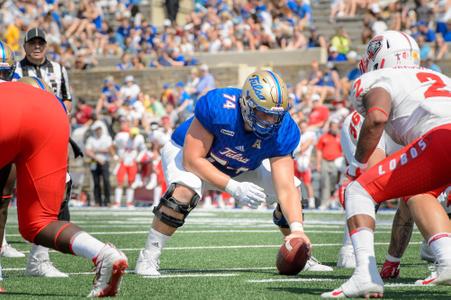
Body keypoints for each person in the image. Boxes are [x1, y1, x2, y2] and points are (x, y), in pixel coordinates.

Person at [134, 70, 332, 276]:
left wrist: (298, 230)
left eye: (276, 116)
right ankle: (148, 257)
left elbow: (286, 187)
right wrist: (234, 188)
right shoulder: (220, 107)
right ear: (246, 104)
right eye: (264, 113)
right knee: (184, 192)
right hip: (190, 154)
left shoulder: (284, 128)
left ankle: (300, 252)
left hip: (242, 165)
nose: (271, 121)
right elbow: (192, 161)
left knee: (295, 190)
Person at [322, 31, 451, 298]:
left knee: (358, 190)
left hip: (442, 139)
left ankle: (365, 276)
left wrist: (357, 165)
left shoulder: (380, 78)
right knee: (421, 194)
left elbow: (377, 118)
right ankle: (447, 259)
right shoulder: (440, 77)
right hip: (441, 140)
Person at [0, 78, 127, 296]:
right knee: (38, 223)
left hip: (10, 112)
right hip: (52, 112)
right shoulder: (26, 90)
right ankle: (103, 254)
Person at [13, 28, 76, 277]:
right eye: (32, 43)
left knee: (58, 184)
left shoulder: (59, 69)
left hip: (47, 133)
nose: (37, 47)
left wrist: (54, 113)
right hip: (20, 131)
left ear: (46, 45)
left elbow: (67, 100)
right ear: (25, 46)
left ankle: (45, 245)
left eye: (41, 43)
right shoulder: (15, 69)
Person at [0, 40, 26, 259]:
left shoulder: (17, 82)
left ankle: (2, 241)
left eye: (4, 73)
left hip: (8, 141)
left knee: (4, 198)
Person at [85, 121, 115, 207]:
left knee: (106, 181)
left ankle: (108, 201)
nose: (98, 131)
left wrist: (95, 150)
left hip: (105, 161)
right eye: (96, 129)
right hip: (95, 161)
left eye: (99, 129)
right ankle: (97, 201)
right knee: (96, 182)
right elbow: (87, 151)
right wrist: (98, 156)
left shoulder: (107, 138)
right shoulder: (91, 139)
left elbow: (110, 150)